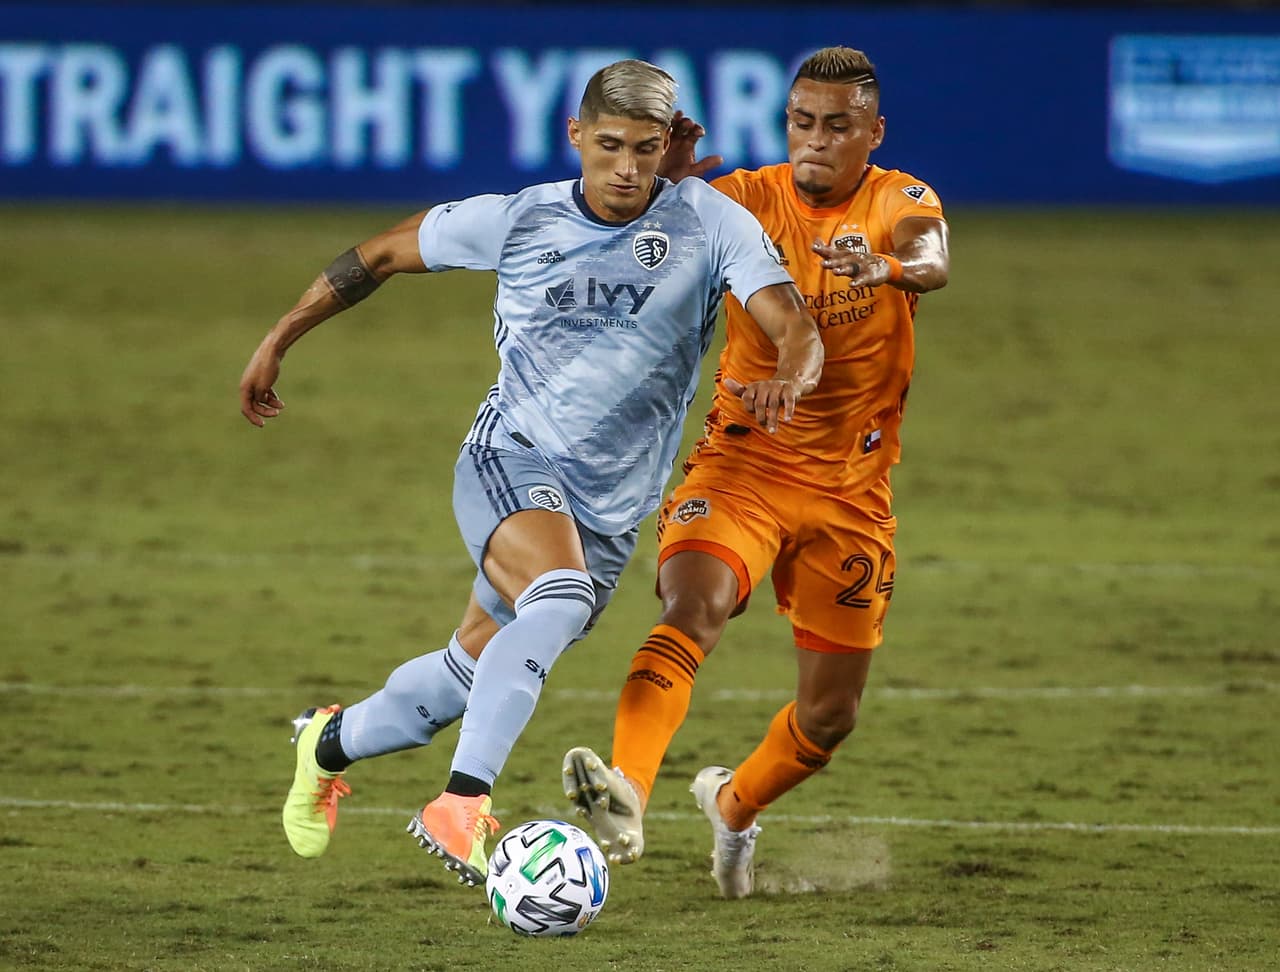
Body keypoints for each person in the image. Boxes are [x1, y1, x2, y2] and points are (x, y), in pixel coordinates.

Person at [239, 58, 824, 888]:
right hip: (510, 458)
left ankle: (324, 743)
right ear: (575, 137)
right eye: (610, 145)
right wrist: (278, 339)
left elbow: (793, 324)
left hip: (610, 511)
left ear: (666, 147)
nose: (626, 167)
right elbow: (378, 256)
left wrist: (790, 376)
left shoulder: (708, 220)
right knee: (560, 595)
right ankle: (462, 803)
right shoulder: (517, 219)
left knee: (461, 678)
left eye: (645, 150)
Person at [562, 46, 950, 898]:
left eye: (837, 127)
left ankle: (732, 807)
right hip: (741, 462)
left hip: (852, 492)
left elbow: (933, 257)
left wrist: (889, 268)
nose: (816, 141)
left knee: (828, 716)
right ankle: (626, 788)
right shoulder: (739, 199)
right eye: (802, 123)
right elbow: (625, 242)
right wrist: (660, 184)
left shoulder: (898, 200)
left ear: (872, 133)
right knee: (689, 606)